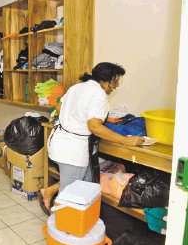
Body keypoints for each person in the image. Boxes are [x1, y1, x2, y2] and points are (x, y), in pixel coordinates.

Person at [38, 62, 145, 214]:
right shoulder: (99, 95)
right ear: (107, 79)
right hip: (71, 150)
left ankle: (79, 218)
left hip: (58, 142)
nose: (116, 86)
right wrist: (126, 140)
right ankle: (60, 229)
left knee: (87, 182)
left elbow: (59, 108)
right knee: (68, 196)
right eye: (116, 81)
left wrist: (76, 118)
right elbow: (94, 126)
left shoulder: (77, 87)